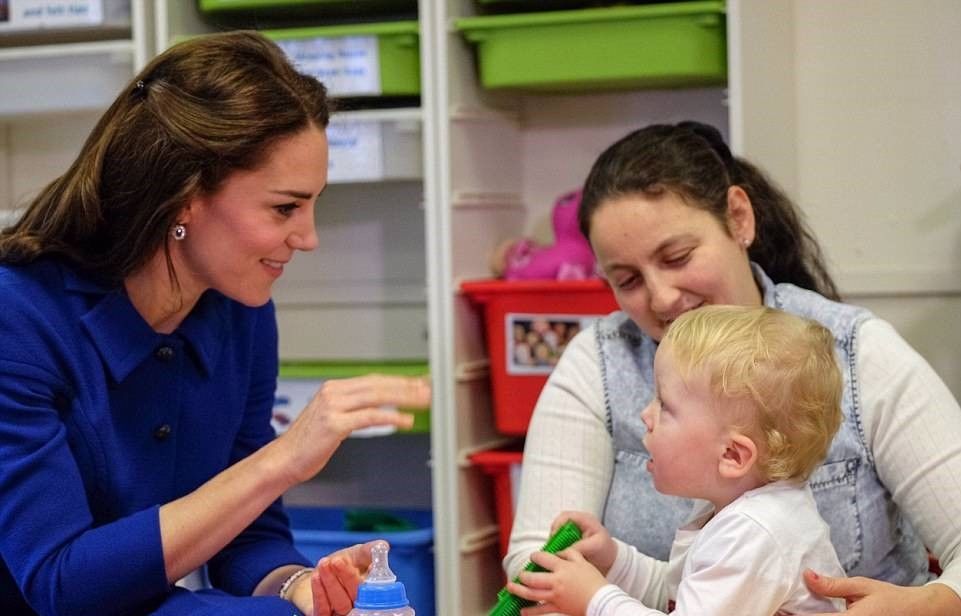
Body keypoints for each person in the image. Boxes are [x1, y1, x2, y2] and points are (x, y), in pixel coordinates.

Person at [0, 31, 430, 616]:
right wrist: (281, 461)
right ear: (183, 197)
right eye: (285, 208)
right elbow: (60, 585)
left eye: (312, 205)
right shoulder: (20, 316)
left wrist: (299, 587)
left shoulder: (241, 312)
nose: (308, 238)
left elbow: (248, 537)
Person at [506, 121, 961, 615]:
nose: (661, 297)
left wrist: (930, 603)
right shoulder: (598, 365)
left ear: (739, 219)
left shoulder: (852, 353)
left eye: (677, 256)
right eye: (628, 279)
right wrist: (612, 563)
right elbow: (658, 586)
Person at [507, 305, 846, 615]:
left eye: (664, 406)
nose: (645, 415)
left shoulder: (754, 533)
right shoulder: (734, 511)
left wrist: (595, 600)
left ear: (732, 455)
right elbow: (680, 594)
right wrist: (613, 560)